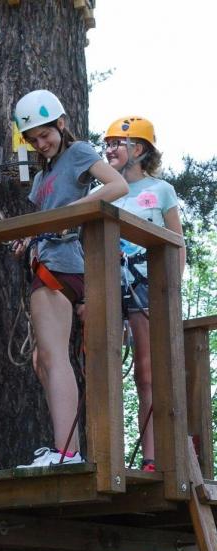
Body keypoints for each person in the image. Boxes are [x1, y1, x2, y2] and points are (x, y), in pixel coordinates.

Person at [12, 90, 129, 468]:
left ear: (61, 123)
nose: (40, 144)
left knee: (53, 357)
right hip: (47, 259)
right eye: (33, 140)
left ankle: (66, 452)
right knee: (42, 361)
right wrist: (30, 235)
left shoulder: (78, 153)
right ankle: (67, 448)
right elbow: (43, 216)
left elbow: (116, 186)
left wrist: (66, 214)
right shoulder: (43, 175)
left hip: (63, 263)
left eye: (44, 134)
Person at [103, 115, 186, 471]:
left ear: (138, 149)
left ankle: (152, 456)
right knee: (101, 368)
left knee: (146, 372)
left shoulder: (161, 190)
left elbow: (177, 241)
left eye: (116, 144)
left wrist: (173, 287)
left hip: (145, 284)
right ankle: (106, 455)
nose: (108, 150)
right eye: (106, 144)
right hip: (107, 283)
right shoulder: (103, 191)